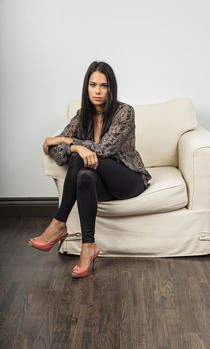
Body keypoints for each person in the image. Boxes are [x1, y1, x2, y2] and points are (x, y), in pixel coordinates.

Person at [28, 60, 152, 278]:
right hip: (100, 184)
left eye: (103, 86)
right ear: (86, 87)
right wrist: (75, 146)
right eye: (93, 85)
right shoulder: (82, 115)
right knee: (82, 171)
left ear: (111, 88)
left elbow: (105, 149)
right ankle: (89, 246)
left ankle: (58, 223)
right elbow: (57, 154)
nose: (98, 91)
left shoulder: (125, 112)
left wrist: (67, 142)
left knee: (78, 157)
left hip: (128, 179)